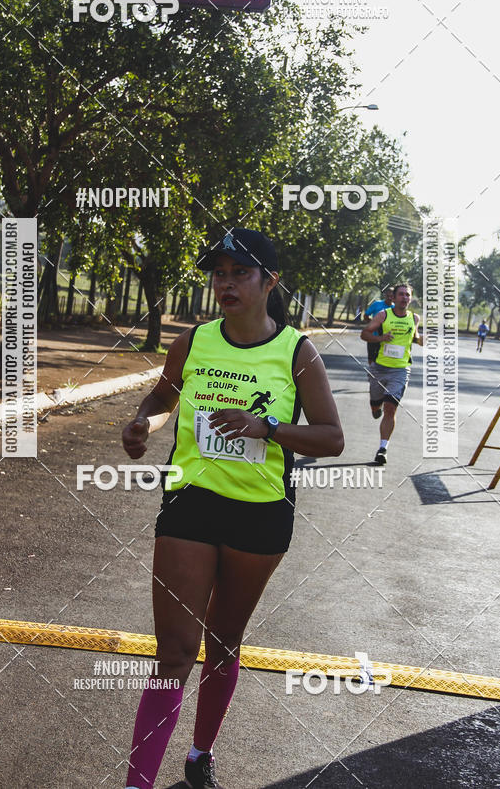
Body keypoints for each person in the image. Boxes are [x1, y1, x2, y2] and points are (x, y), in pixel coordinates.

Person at [121, 227, 344, 789]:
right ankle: (137, 783)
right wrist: (146, 421)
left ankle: (200, 755)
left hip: (259, 515)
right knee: (174, 652)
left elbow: (331, 438)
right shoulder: (193, 341)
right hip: (190, 502)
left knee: (222, 645)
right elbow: (164, 395)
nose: (225, 283)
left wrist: (266, 429)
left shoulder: (296, 351)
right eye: (218, 273)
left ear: (269, 281)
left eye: (239, 272)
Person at [360, 283, 422, 465]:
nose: (404, 298)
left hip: (401, 370)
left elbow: (415, 337)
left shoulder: (414, 318)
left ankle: (382, 449)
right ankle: (374, 407)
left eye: (407, 295)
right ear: (393, 298)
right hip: (379, 368)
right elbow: (364, 334)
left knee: (390, 408)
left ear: (410, 299)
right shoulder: (383, 315)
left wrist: (421, 340)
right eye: (401, 294)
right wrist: (381, 338)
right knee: (376, 406)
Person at [362, 288, 394, 364]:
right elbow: (366, 315)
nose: (389, 298)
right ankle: (372, 374)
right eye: (388, 296)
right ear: (385, 295)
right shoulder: (377, 304)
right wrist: (374, 324)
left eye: (391, 296)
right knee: (371, 359)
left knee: (384, 361)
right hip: (373, 336)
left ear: (394, 297)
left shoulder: (395, 308)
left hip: (387, 339)